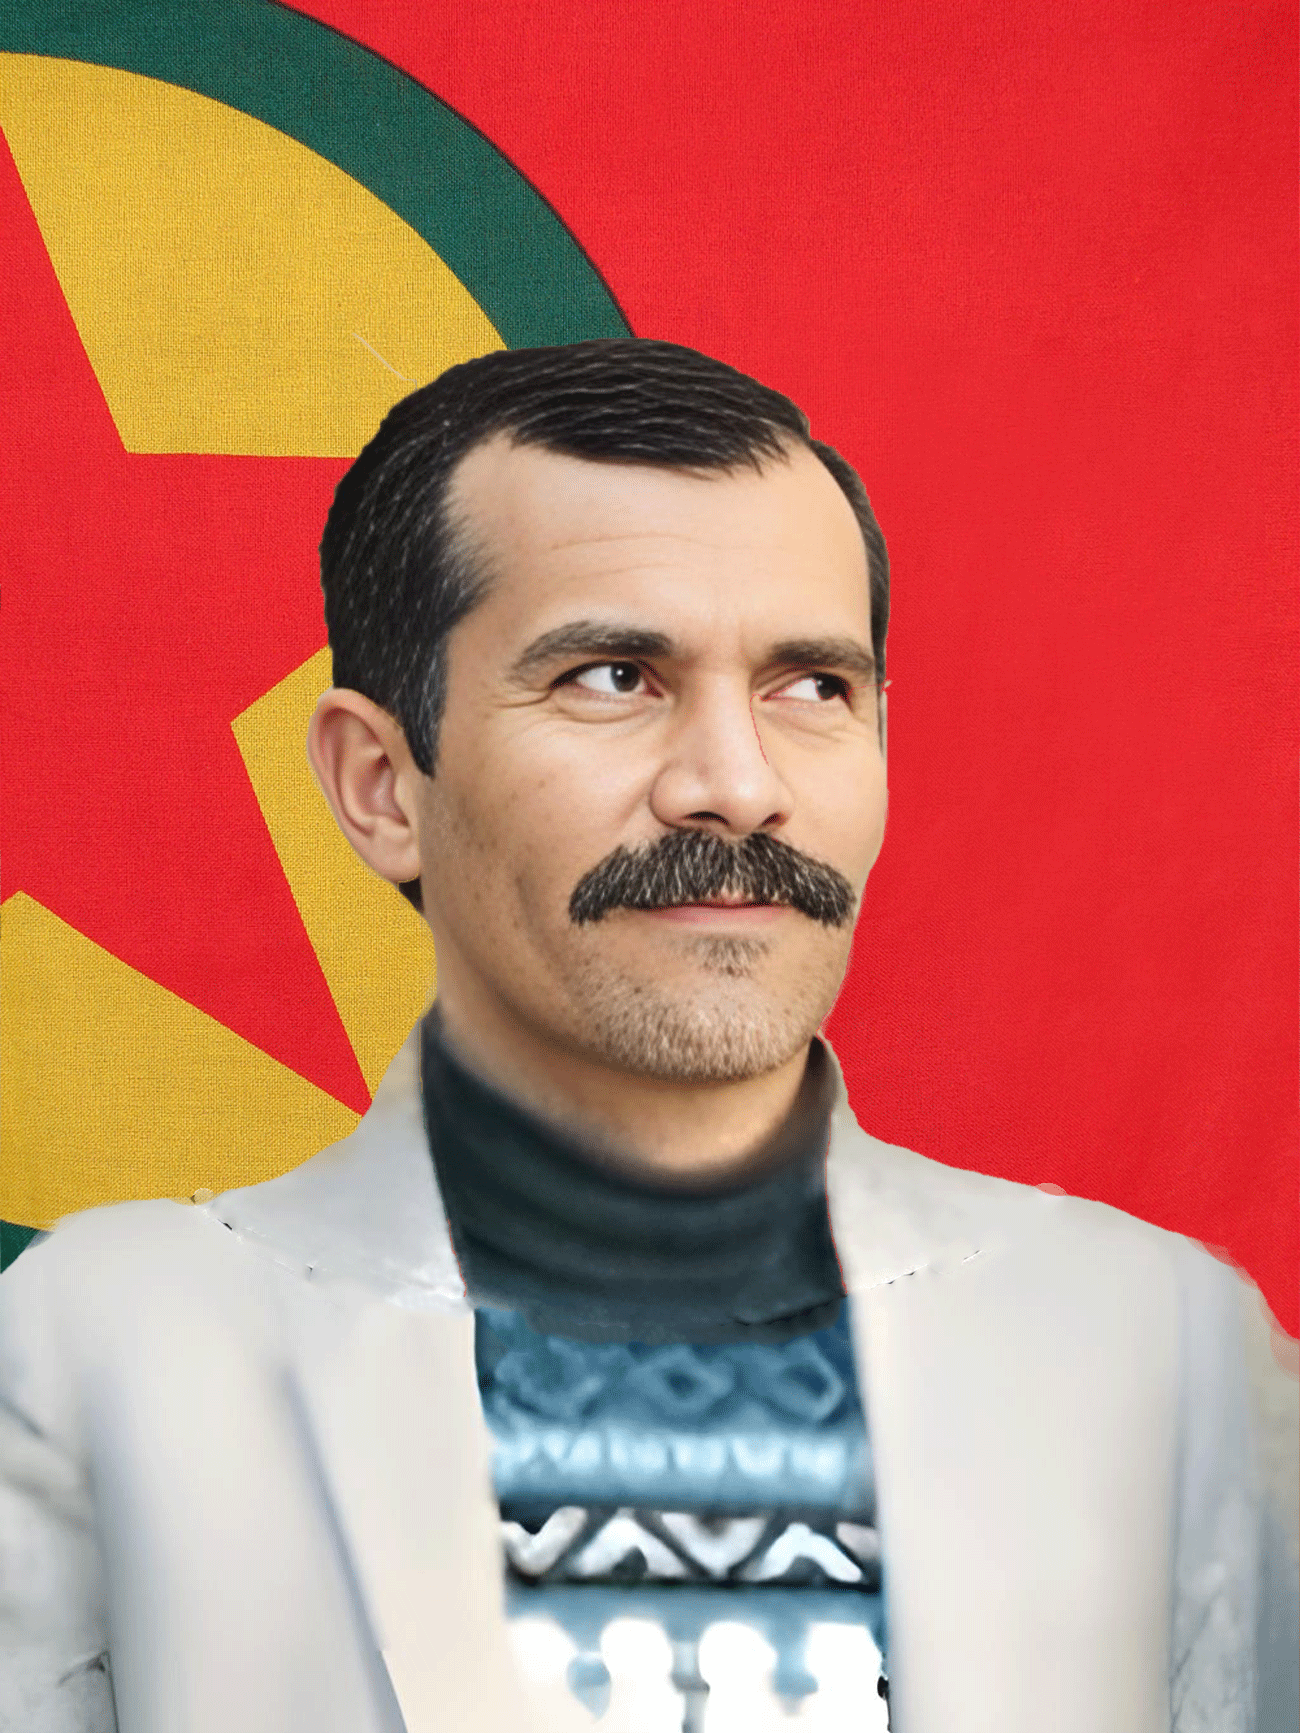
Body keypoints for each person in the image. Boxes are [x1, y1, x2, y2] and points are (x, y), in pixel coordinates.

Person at [0, 340, 1294, 1733]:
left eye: (813, 686)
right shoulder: (89, 1358)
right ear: (380, 784)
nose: (738, 786)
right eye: (614, 676)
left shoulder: (1169, 1353)